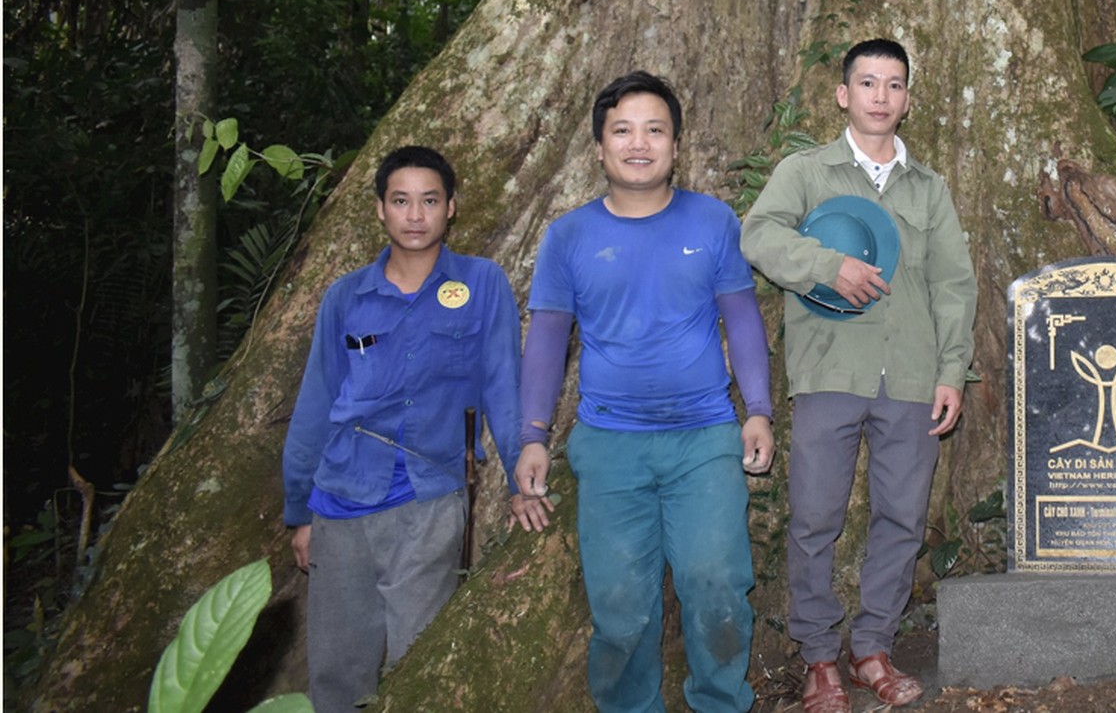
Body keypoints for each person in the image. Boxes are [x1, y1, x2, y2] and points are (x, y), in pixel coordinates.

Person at [513, 71, 774, 713]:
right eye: (622, 130)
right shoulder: (569, 236)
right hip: (609, 446)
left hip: (705, 439)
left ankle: (719, 702)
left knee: (716, 586)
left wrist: (760, 411)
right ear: (599, 148)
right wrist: (531, 435)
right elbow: (547, 339)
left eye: (655, 130)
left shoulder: (712, 220)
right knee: (622, 613)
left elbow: (741, 320)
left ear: (676, 145)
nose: (639, 143)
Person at [740, 38, 977, 713]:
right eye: (867, 82)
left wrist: (951, 370)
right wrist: (825, 265)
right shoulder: (807, 170)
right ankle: (819, 658)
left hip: (911, 378)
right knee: (815, 517)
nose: (880, 95)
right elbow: (758, 234)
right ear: (843, 94)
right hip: (829, 373)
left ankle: (872, 645)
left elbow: (954, 284)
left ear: (907, 97)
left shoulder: (927, 187)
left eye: (894, 84)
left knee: (901, 517)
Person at [282, 145, 550, 713]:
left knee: (418, 664)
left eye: (429, 201)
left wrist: (526, 473)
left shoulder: (482, 284)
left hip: (429, 501)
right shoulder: (347, 297)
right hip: (340, 503)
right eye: (400, 201)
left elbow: (503, 384)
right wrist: (298, 511)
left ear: (451, 207)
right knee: (336, 673)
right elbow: (316, 403)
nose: (415, 215)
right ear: (381, 210)